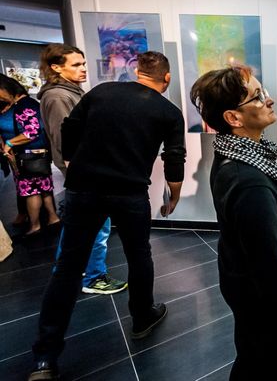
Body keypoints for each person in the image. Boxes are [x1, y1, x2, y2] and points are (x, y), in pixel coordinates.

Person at [28, 51, 186, 381]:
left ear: (137, 72)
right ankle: (142, 318)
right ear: (167, 78)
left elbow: (69, 127)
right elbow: (174, 159)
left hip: (83, 188)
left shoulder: (101, 92)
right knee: (139, 255)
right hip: (130, 192)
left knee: (68, 266)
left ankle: (45, 357)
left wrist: (74, 161)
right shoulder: (168, 112)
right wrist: (173, 196)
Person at [190, 65, 277, 380]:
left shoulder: (236, 156)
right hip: (269, 307)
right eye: (257, 97)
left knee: (253, 363)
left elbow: (258, 224)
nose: (269, 100)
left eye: (263, 92)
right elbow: (271, 267)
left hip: (249, 294)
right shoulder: (249, 181)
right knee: (269, 369)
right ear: (233, 118)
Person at [38, 43, 126, 294]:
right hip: (85, 173)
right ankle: (94, 278)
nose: (83, 69)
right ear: (56, 67)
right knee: (98, 227)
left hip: (87, 170)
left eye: (83, 63)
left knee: (77, 226)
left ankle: (66, 274)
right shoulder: (58, 96)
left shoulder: (70, 91)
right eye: (76, 65)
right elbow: (65, 140)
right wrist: (85, 173)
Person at [0, 74, 60, 237]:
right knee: (44, 189)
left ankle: (35, 226)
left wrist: (10, 143)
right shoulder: (23, 104)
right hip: (35, 155)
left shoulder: (25, 105)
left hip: (29, 156)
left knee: (31, 192)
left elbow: (31, 132)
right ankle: (52, 218)